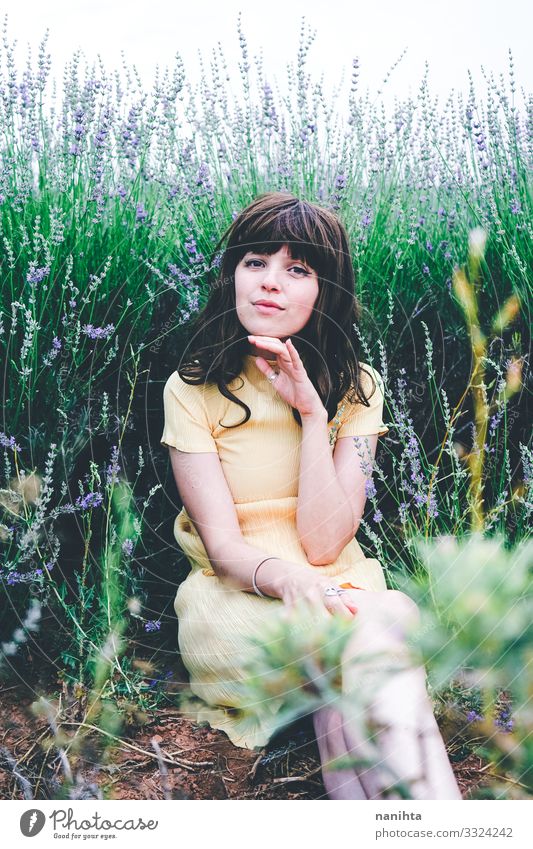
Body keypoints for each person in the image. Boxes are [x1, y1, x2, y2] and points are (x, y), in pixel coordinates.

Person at [160, 191, 462, 800]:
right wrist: (294, 582)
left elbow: (326, 542)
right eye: (255, 261)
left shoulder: (358, 387)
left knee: (363, 658)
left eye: (297, 269)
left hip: (334, 582)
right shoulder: (192, 389)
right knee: (383, 628)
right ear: (232, 276)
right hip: (240, 594)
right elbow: (222, 549)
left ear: (325, 289)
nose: (271, 283)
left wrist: (314, 414)